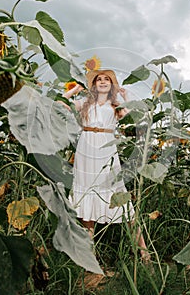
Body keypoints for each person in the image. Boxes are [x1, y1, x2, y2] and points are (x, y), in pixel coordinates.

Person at [62, 68, 150, 261]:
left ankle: (144, 253)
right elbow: (60, 105)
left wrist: (125, 96)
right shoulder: (85, 104)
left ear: (112, 85)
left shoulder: (115, 106)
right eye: (98, 80)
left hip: (106, 147)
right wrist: (74, 89)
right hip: (86, 147)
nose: (102, 82)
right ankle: (90, 255)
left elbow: (134, 116)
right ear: (93, 86)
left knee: (117, 192)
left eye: (107, 80)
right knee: (87, 193)